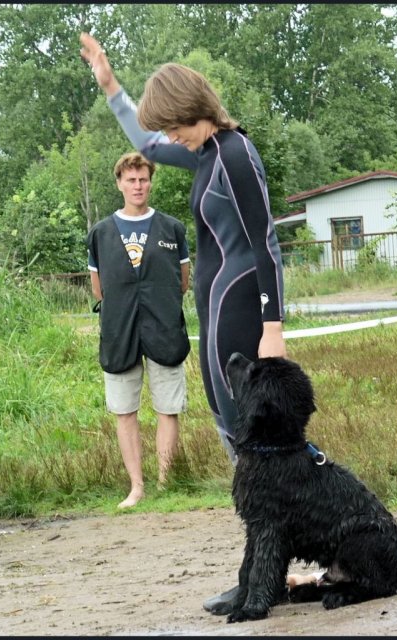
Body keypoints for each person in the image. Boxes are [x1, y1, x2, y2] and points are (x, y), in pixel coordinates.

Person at [80, 35, 287, 605]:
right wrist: (111, 87)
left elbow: (265, 242)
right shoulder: (204, 153)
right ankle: (267, 567)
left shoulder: (235, 154)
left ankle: (274, 567)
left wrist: (274, 326)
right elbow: (143, 138)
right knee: (235, 432)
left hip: (242, 308)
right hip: (218, 306)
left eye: (171, 125)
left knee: (255, 436)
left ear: (191, 110)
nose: (165, 139)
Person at [87, 151, 191, 509]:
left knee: (168, 407)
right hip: (119, 333)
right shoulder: (100, 233)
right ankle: (137, 487)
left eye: (143, 179)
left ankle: (165, 484)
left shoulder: (172, 228)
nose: (137, 185)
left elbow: (183, 282)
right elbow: (99, 289)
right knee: (124, 410)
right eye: (131, 179)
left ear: (150, 182)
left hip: (164, 329)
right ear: (119, 183)